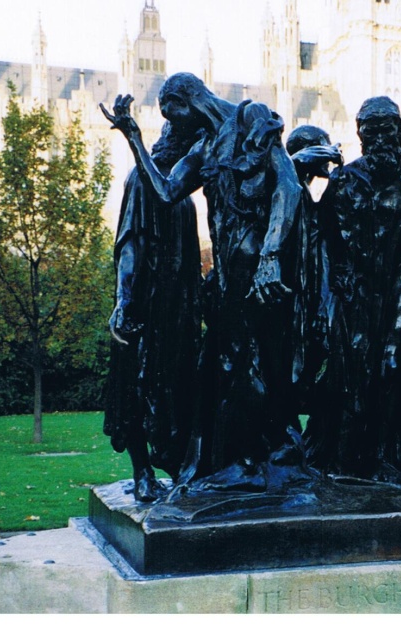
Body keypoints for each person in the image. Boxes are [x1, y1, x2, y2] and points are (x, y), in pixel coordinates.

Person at [101, 73, 304, 491]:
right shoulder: (203, 148)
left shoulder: (251, 118)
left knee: (254, 362)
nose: (171, 124)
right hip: (229, 276)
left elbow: (288, 186)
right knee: (230, 364)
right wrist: (134, 139)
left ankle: (253, 461)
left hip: (261, 271)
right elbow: (165, 191)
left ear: (186, 98)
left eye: (171, 112)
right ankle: (246, 458)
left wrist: (270, 255)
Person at [309, 96, 401, 483]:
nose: (380, 138)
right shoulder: (345, 179)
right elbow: (322, 241)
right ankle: (346, 462)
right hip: (353, 294)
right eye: (371, 131)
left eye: (388, 129)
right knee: (351, 376)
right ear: (360, 135)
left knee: (395, 374)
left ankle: (390, 461)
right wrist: (326, 299)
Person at [103, 109, 204, 501]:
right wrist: (124, 299)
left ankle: (175, 462)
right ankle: (141, 469)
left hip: (178, 307)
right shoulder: (141, 182)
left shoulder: (181, 195)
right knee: (135, 386)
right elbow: (129, 242)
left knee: (176, 386)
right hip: (144, 303)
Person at [284, 125, 343, 419]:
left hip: (309, 298)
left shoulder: (305, 194)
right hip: (288, 298)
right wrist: (328, 152)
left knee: (309, 362)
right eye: (322, 149)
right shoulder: (286, 183)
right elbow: (292, 161)